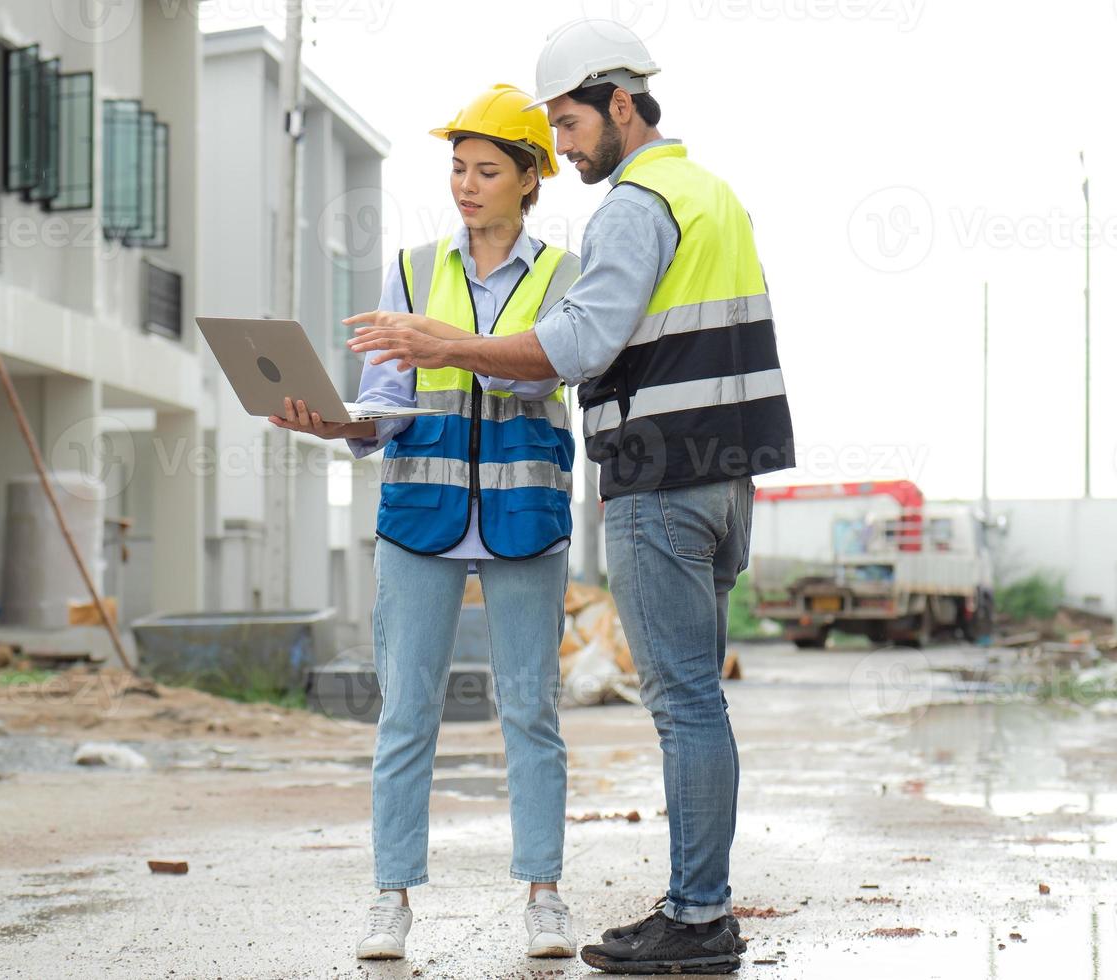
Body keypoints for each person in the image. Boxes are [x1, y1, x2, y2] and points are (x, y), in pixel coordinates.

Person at [347, 21, 796, 975]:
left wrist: (449, 347)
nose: (564, 140)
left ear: (620, 106)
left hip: (645, 483)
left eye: (569, 123)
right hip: (719, 477)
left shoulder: (627, 210)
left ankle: (695, 914)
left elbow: (580, 348)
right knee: (686, 699)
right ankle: (694, 908)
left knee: (667, 703)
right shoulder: (711, 194)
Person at [269, 84, 582, 962]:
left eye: (487, 170)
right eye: (456, 167)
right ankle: (389, 895)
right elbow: (387, 405)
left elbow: (547, 374)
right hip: (420, 515)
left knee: (531, 709)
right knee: (405, 711)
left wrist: (450, 343)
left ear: (530, 178)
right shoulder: (410, 269)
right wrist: (333, 422)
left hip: (525, 515)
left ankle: (544, 895)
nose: (466, 184)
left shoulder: (563, 275)